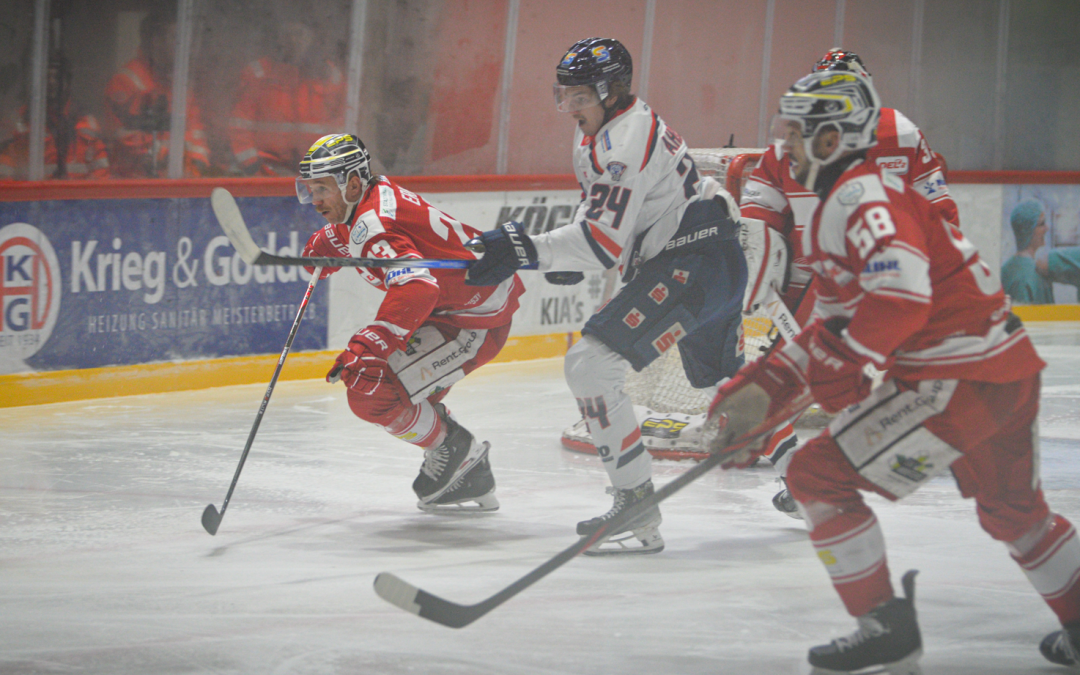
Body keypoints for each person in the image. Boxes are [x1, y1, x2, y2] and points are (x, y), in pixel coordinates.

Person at [708, 69, 1080, 674]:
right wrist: (766, 388)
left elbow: (902, 300)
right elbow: (829, 326)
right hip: (1004, 368)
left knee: (814, 475)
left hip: (958, 377)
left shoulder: (860, 197)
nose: (783, 145)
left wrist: (845, 359)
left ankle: (885, 629)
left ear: (832, 139)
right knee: (1015, 513)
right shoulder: (849, 201)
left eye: (796, 133)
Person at [465, 37, 748, 555]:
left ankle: (635, 501)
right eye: (564, 95)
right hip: (704, 258)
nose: (570, 107)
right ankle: (803, 479)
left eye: (581, 96)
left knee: (590, 366)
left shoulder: (625, 140)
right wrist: (561, 254)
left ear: (612, 91)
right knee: (733, 383)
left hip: (695, 261)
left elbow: (600, 243)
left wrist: (529, 249)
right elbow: (595, 217)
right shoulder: (597, 132)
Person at [739, 49, 958, 518]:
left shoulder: (899, 132)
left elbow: (938, 213)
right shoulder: (788, 142)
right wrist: (758, 264)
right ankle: (803, 477)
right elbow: (758, 211)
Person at [298, 133, 523, 511]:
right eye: (309, 190)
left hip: (475, 321)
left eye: (322, 189)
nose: (315, 200)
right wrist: (335, 237)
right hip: (453, 308)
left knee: (371, 389)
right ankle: (461, 459)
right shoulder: (371, 197)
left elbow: (418, 287)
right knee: (385, 386)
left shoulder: (373, 224)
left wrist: (373, 341)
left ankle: (459, 454)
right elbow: (390, 239)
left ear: (352, 184)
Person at [228, 19, 345, 176]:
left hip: (318, 173)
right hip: (267, 170)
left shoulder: (331, 76)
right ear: (278, 38)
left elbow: (343, 125)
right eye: (287, 34)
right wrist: (252, 165)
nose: (293, 40)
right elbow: (239, 123)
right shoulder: (258, 73)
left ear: (312, 38)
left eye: (299, 34)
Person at [104, 9, 210, 177]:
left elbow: (195, 134)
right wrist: (172, 162)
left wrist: (196, 168)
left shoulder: (179, 83)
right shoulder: (126, 81)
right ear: (156, 41)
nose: (185, 47)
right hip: (137, 183)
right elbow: (128, 138)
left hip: (176, 181)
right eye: (176, 38)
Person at [0, 52, 109, 180]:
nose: (51, 82)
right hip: (34, 192)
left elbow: (101, 172)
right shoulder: (21, 121)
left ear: (68, 82)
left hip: (76, 193)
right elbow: (4, 171)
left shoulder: (87, 122)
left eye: (57, 77)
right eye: (47, 77)